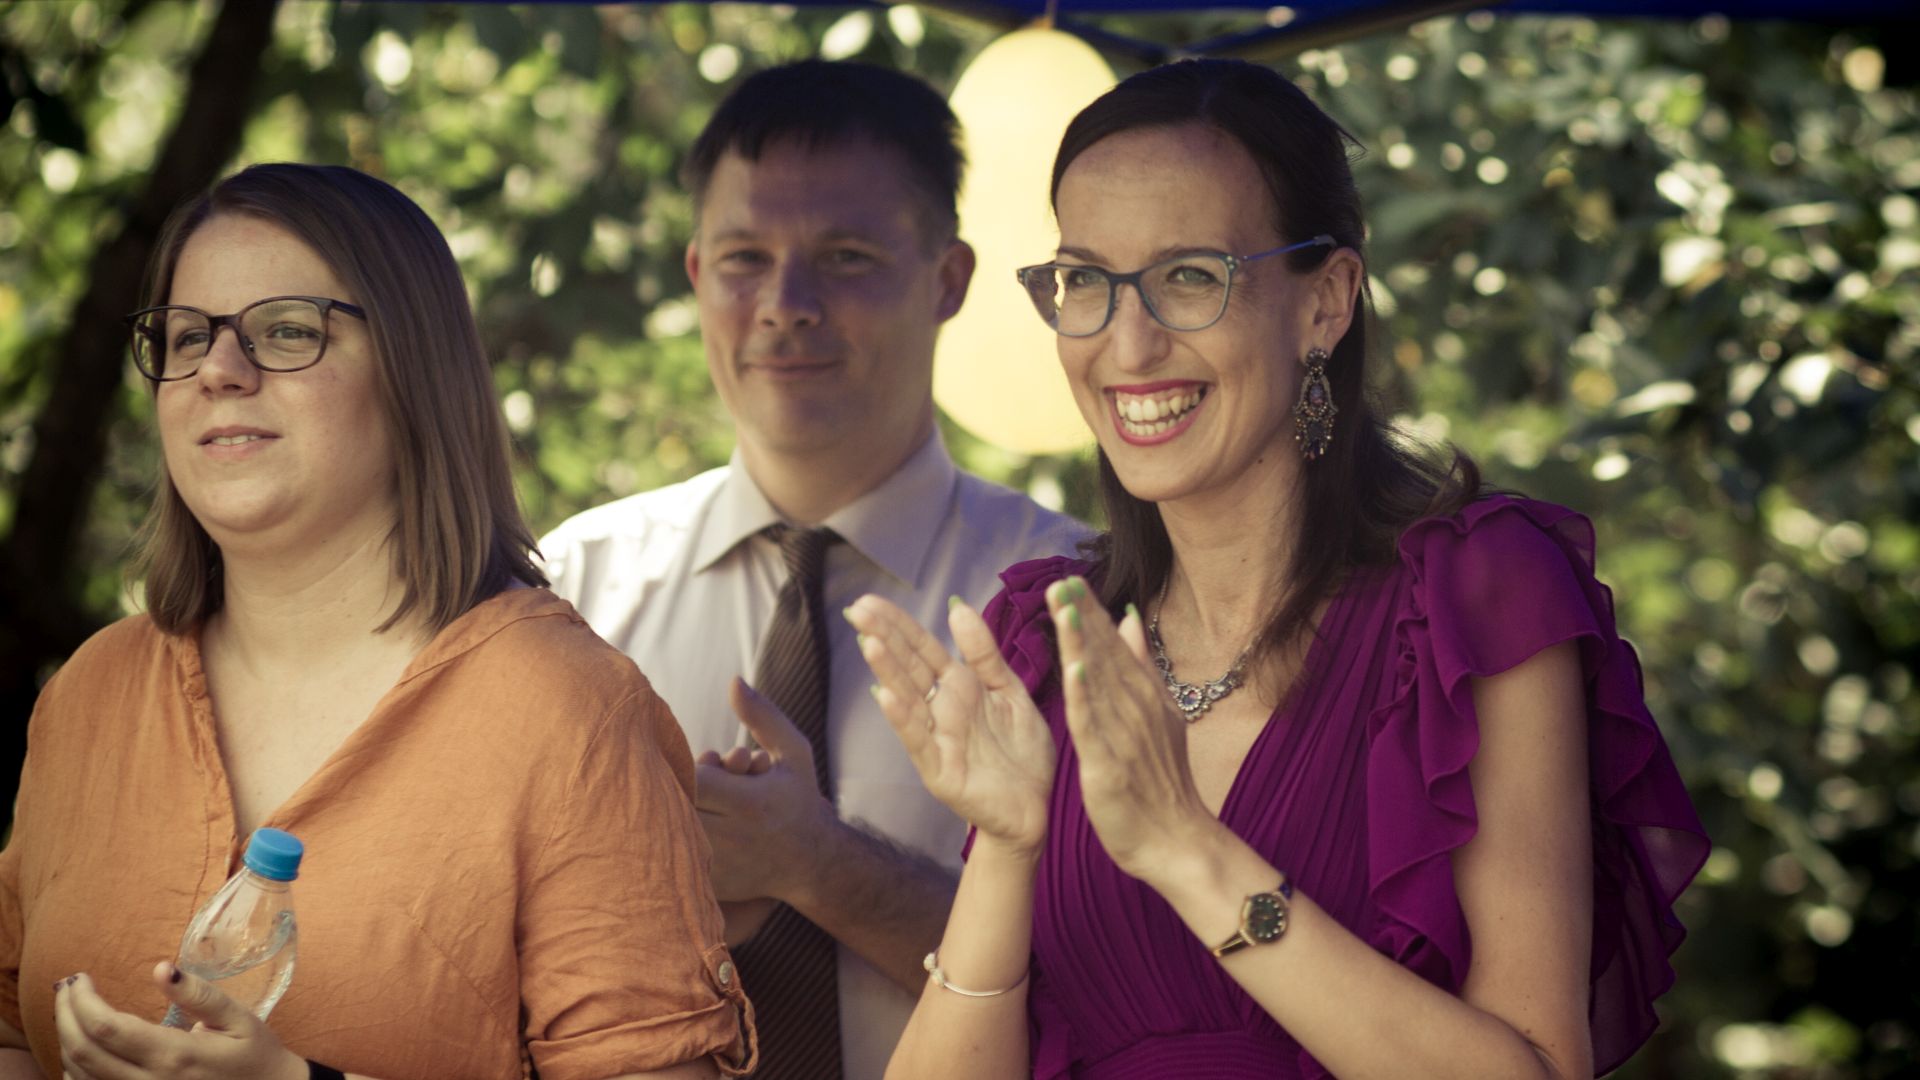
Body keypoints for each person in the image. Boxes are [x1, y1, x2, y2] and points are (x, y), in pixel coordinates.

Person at [847, 58, 1709, 1079]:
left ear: (1325, 302)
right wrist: (1006, 847)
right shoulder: (1046, 643)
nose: (1128, 345)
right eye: (1086, 281)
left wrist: (1189, 850)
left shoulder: (1473, 596)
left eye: (1189, 277)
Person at [0, 164, 752, 1080]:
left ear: (412, 370)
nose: (218, 371)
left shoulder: (569, 714)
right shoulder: (92, 694)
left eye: (286, 331)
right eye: (187, 336)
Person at [540, 61, 1085, 1080]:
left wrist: (819, 864)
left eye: (845, 257)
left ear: (949, 278)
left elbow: (1125, 989)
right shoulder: (571, 594)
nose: (786, 305)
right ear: (696, 272)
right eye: (745, 258)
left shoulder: (1073, 604)